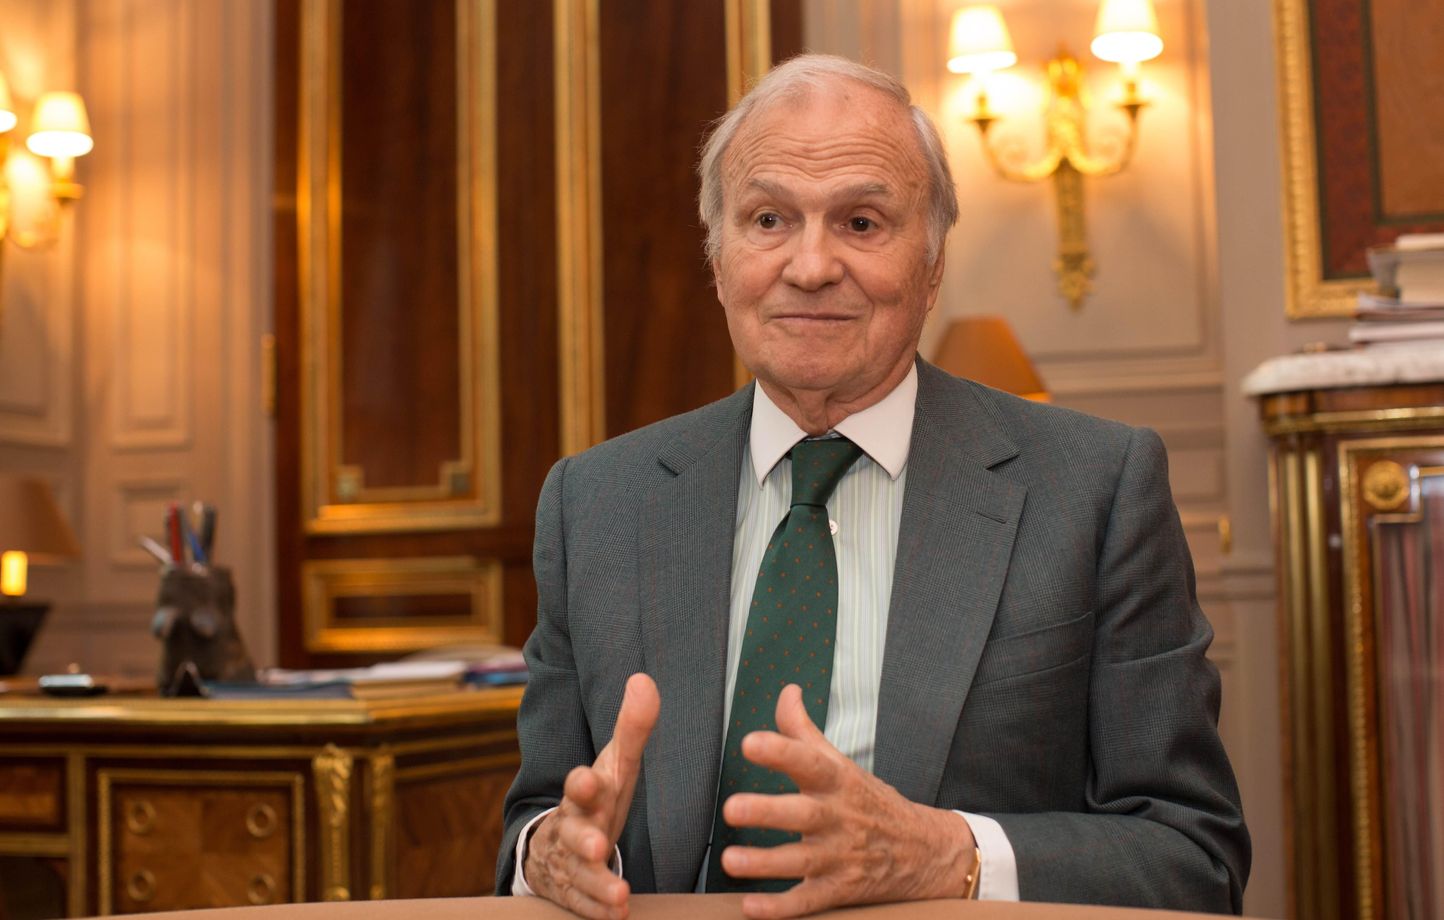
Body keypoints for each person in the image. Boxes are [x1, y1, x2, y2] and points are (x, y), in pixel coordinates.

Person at [497, 53, 1249, 920]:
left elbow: (1194, 857)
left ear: (932, 267)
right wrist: (549, 854)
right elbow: (538, 822)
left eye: (860, 222)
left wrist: (947, 855)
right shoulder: (595, 504)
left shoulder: (1094, 491)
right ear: (718, 261)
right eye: (769, 219)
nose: (810, 266)